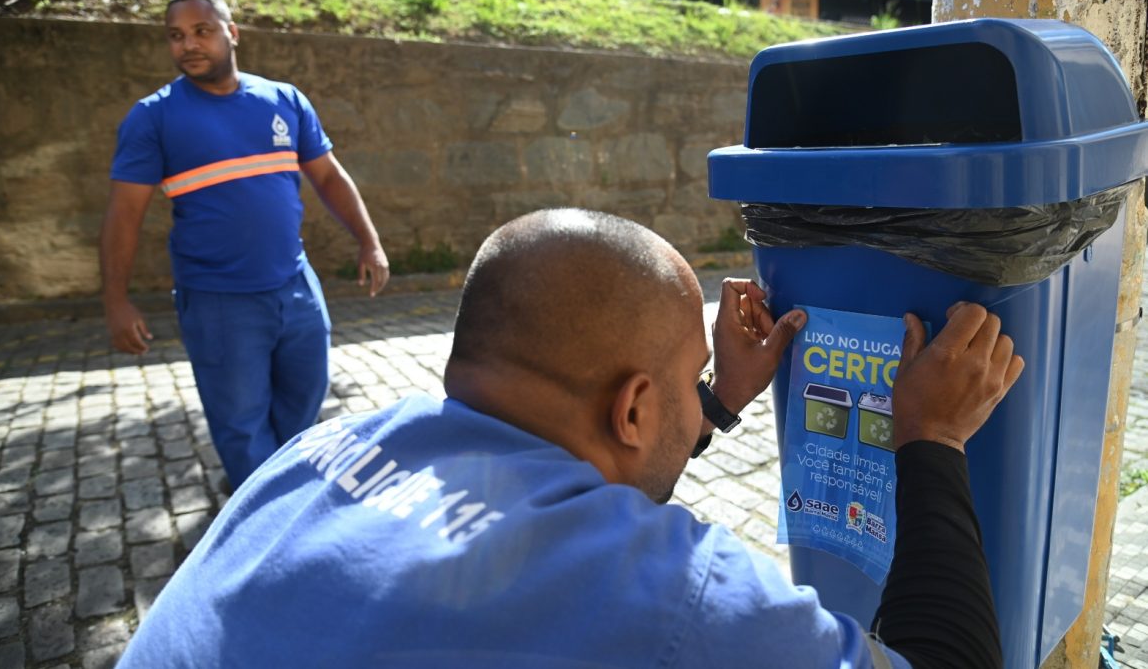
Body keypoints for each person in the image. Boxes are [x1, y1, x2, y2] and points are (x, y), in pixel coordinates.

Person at [118, 209, 1021, 668]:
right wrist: (932, 436)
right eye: (678, 379)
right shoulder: (668, 596)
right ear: (632, 410)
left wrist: (710, 401)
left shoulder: (316, 453)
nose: (691, 392)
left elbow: (569, 468)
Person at [100, 0, 389, 489]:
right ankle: (261, 516)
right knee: (241, 424)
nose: (189, 44)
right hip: (218, 301)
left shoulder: (284, 100)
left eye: (202, 31)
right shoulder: (154, 117)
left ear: (232, 34)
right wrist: (116, 301)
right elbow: (124, 215)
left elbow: (329, 177)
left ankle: (278, 490)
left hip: (295, 287)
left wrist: (369, 240)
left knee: (303, 403)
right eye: (176, 36)